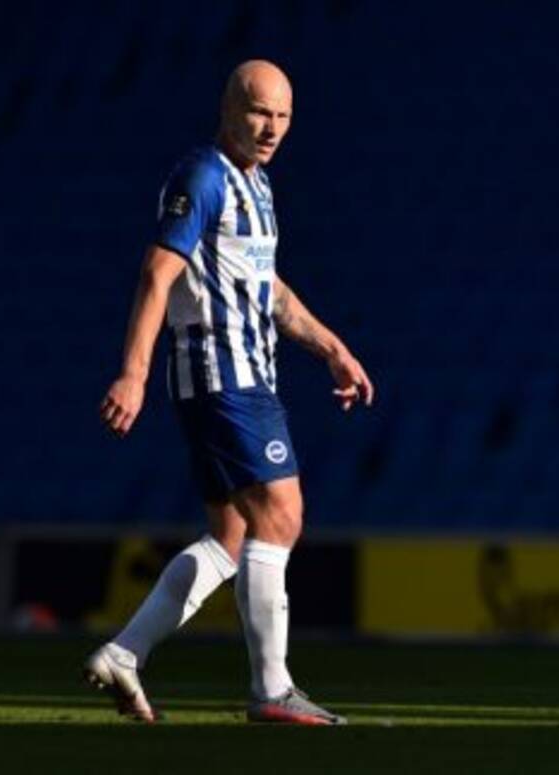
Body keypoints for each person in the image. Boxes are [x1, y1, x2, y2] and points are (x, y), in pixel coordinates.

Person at [84, 60, 374, 726]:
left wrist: (332, 349)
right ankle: (272, 688)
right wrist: (133, 372)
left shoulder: (258, 185)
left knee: (232, 536)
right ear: (228, 109)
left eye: (283, 117)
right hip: (224, 373)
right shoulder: (203, 177)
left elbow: (267, 289)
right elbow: (157, 273)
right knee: (283, 513)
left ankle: (124, 654)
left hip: (240, 375)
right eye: (259, 112)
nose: (271, 128)